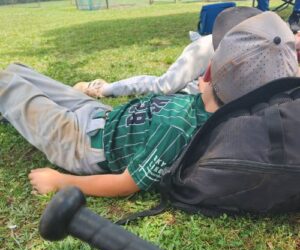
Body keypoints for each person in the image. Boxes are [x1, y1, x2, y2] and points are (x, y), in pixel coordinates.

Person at [1, 9, 297, 198]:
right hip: (104, 116)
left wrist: (60, 182)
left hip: (80, 143)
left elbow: (125, 183)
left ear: (205, 73)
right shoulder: (214, 111)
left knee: (8, 83)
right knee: (18, 71)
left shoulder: (178, 127)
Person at [74, 8, 261, 98]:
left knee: (174, 89)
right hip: (214, 45)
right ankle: (104, 89)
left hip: (214, 82)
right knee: (164, 85)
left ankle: (104, 89)